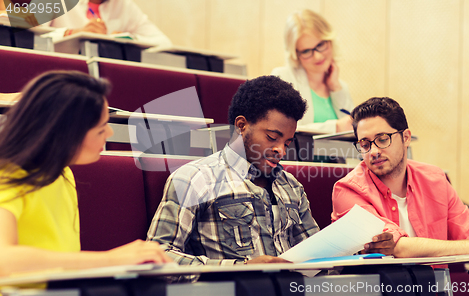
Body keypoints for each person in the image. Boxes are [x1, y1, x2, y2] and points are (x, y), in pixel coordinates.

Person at [147, 76, 393, 266]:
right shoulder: (194, 179)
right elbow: (158, 257)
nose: (281, 150)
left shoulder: (291, 187)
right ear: (242, 126)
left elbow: (319, 256)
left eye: (287, 142)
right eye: (272, 137)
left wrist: (361, 250)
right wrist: (241, 267)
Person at [0, 71, 172, 277]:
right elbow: (4, 260)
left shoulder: (62, 172)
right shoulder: (7, 175)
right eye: (101, 129)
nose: (109, 133)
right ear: (65, 134)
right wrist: (110, 260)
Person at [331, 97, 469, 258]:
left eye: (382, 139)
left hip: (436, 287)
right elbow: (396, 247)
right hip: (380, 287)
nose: (373, 151)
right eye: (365, 145)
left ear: (406, 138)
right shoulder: (347, 190)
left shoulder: (435, 179)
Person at [271, 9, 354, 133]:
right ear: (295, 54)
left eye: (320, 45)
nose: (317, 56)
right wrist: (335, 127)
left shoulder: (341, 87)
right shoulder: (283, 79)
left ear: (330, 40)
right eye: (306, 51)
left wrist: (336, 88)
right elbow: (281, 130)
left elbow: (353, 130)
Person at [35, 0, 171, 46]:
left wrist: (128, 39)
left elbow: (163, 42)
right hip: (57, 76)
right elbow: (30, 41)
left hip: (104, 82)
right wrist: (72, 34)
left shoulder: (124, 5)